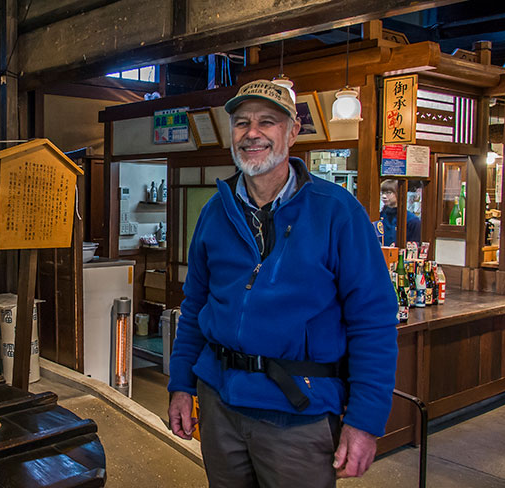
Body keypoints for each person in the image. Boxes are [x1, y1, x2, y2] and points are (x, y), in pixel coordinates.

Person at [167, 79, 398, 488]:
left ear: (293, 131)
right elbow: (194, 307)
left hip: (300, 413)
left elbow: (374, 322)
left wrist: (365, 421)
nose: (252, 133)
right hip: (220, 403)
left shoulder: (337, 212)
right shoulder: (215, 212)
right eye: (242, 123)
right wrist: (182, 385)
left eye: (267, 122)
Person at [380, 179, 421, 246]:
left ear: (398, 193)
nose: (384, 196)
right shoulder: (379, 217)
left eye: (388, 192)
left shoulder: (412, 220)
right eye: (382, 193)